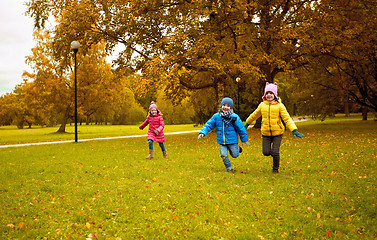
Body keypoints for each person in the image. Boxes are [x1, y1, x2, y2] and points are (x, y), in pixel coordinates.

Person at [244, 82, 303, 173]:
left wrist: (293, 130)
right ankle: (274, 155)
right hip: (266, 133)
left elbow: (287, 118)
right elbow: (254, 115)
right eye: (267, 93)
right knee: (266, 152)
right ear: (264, 95)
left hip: (277, 133)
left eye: (271, 93)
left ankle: (275, 169)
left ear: (275, 95)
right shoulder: (262, 105)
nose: (269, 95)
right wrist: (247, 123)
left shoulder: (280, 106)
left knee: (275, 152)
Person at [198, 97, 249, 172]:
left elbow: (241, 128)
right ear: (221, 106)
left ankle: (238, 148)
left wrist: (244, 139)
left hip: (232, 140)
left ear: (230, 107)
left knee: (235, 155)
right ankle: (229, 168)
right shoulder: (216, 116)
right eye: (224, 105)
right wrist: (203, 132)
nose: (225, 107)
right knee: (223, 155)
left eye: (228, 106)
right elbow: (209, 124)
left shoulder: (234, 117)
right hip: (222, 141)